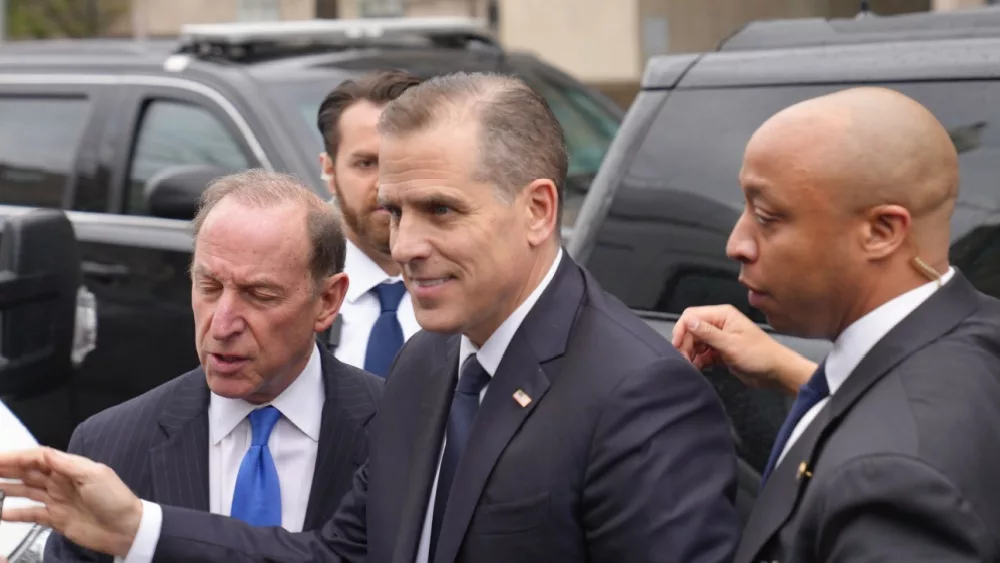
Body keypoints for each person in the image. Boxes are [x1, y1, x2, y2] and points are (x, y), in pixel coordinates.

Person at [0, 72, 742, 563]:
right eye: (393, 210)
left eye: (441, 210)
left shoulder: (640, 393)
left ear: (538, 210)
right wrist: (139, 528)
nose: (407, 244)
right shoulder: (428, 364)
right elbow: (338, 556)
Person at [671, 87, 1000, 562]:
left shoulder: (894, 481)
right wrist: (797, 374)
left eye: (767, 216)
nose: (736, 243)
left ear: (881, 232)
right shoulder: (977, 330)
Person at [42, 170, 384, 562]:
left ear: (327, 300)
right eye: (209, 287)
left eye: (259, 295)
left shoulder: (400, 432)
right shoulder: (109, 446)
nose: (221, 325)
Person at [317, 70, 423, 377]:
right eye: (366, 163)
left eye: (403, 161)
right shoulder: (294, 300)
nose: (385, 186)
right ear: (329, 171)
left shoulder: (479, 298)